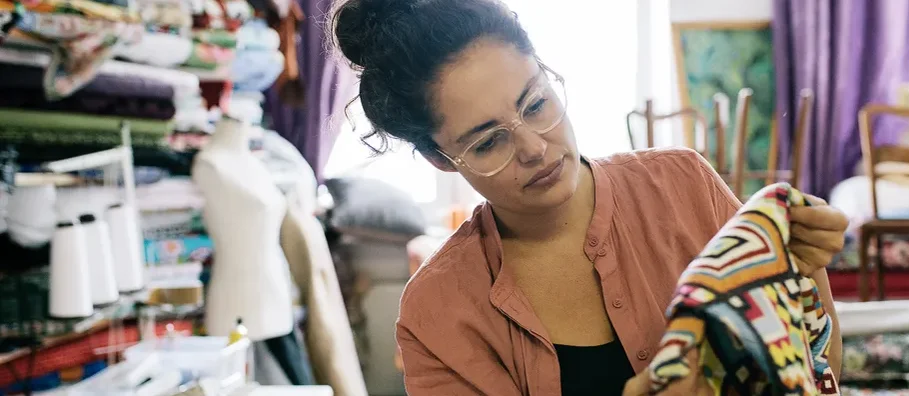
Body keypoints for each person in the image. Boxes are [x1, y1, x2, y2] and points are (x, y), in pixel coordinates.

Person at [329, 0, 848, 394]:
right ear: (440, 159)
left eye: (536, 103)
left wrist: (800, 268)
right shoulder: (437, 313)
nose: (535, 148)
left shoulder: (682, 185)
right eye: (488, 142)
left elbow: (811, 366)